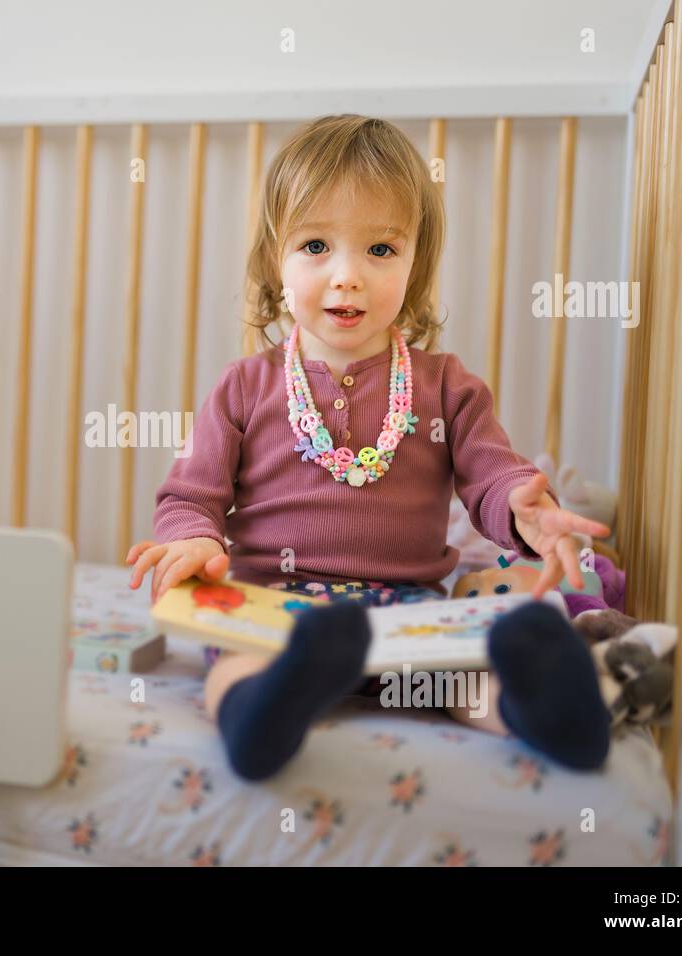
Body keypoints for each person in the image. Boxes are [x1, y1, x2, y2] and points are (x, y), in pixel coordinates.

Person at [127, 115, 613, 781]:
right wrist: (194, 541)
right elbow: (190, 495)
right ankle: (263, 716)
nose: (347, 276)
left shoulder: (447, 387)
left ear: (415, 265)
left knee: (460, 685)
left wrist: (528, 510)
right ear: (277, 259)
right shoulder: (244, 387)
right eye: (316, 245)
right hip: (278, 607)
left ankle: (552, 711)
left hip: (407, 615)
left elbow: (494, 475)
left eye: (380, 251)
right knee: (235, 661)